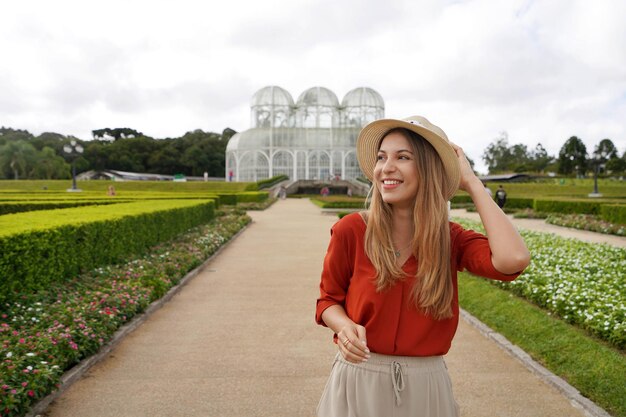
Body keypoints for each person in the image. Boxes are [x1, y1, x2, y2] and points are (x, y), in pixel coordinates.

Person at [315, 115, 530, 417]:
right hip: (358, 378)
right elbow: (328, 301)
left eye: (403, 157)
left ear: (429, 170)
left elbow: (513, 260)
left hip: (427, 389)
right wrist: (344, 326)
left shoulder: (451, 240)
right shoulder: (351, 230)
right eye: (381, 157)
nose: (386, 167)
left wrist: (471, 183)